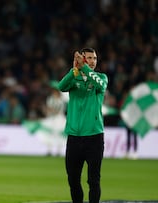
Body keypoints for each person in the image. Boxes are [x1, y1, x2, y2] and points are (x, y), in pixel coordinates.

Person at [58, 48, 108, 203]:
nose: (93, 61)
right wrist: (74, 69)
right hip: (74, 137)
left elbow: (101, 86)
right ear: (82, 59)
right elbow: (61, 86)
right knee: (73, 180)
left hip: (94, 136)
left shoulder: (101, 77)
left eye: (94, 58)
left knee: (93, 181)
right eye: (89, 58)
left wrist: (84, 68)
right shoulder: (75, 78)